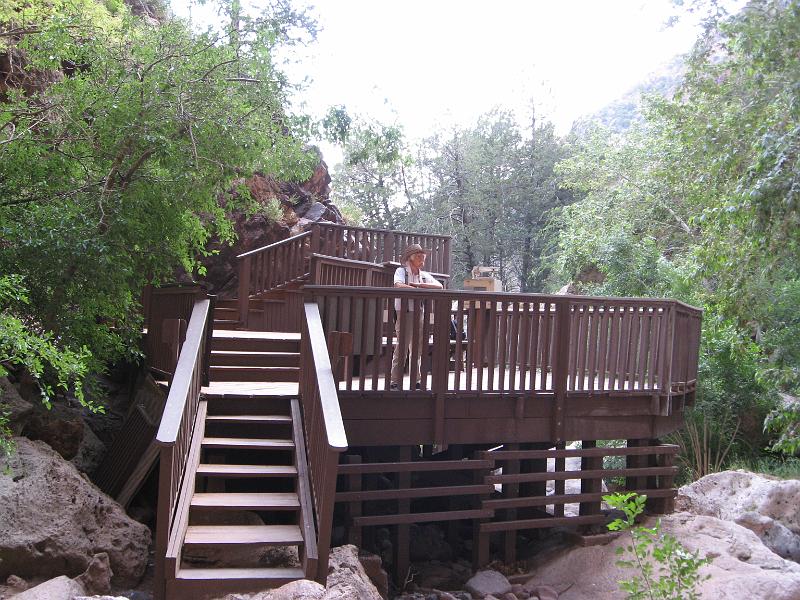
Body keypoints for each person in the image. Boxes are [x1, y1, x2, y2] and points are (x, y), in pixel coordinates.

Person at [390, 244, 443, 390]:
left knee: (417, 348)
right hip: (404, 312)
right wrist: (415, 289)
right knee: (401, 347)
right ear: (411, 257)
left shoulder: (424, 276)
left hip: (419, 313)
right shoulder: (400, 271)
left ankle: (416, 380)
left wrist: (419, 286)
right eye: (419, 256)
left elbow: (439, 287)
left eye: (423, 256)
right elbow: (398, 285)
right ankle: (395, 381)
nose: (422, 259)